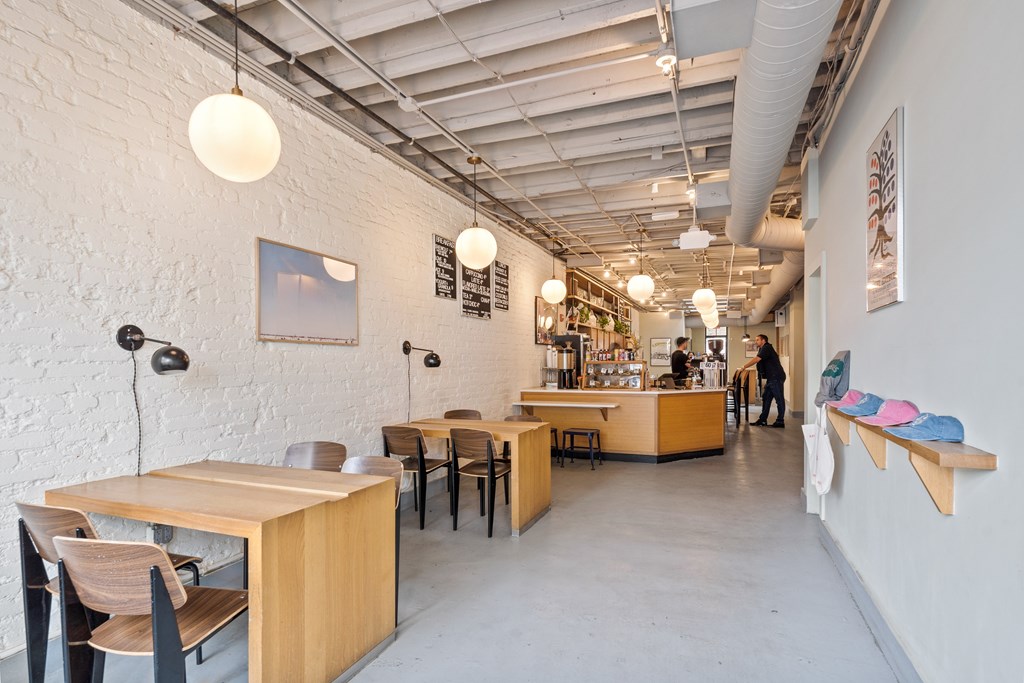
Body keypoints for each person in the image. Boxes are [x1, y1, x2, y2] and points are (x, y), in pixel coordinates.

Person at [738, 334, 786, 428]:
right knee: (766, 398)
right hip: (771, 378)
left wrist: (744, 367)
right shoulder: (763, 348)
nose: (756, 342)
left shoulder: (767, 347)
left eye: (757, 340)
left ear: (763, 340)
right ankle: (762, 420)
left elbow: (757, 359)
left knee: (779, 400)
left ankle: (780, 421)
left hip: (776, 377)